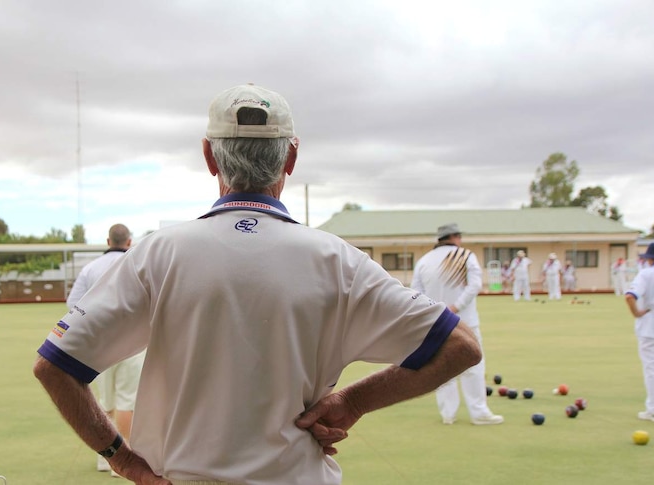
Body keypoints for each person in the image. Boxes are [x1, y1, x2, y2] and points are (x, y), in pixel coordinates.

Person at [33, 83, 482, 484]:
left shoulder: (159, 253)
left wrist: (123, 460)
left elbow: (55, 366)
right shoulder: (336, 260)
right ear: (291, 156)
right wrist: (353, 401)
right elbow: (460, 346)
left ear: (209, 156)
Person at [66, 223, 145, 476]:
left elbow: (73, 304)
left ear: (108, 241)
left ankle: (105, 458)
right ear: (129, 242)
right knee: (126, 402)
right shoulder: (139, 262)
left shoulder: (91, 268)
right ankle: (124, 458)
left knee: (105, 400)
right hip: (133, 343)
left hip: (99, 344)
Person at [411, 223, 504, 426]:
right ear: (454, 237)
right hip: (466, 321)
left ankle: (448, 414)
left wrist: (434, 311)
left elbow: (415, 292)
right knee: (474, 364)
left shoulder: (424, 261)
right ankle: (479, 412)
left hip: (436, 322)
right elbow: (475, 285)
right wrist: (456, 306)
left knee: (442, 366)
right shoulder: (466, 256)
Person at [624, 242, 654, 422]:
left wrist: (637, 313)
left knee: (652, 368)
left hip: (650, 328)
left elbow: (630, 296)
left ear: (650, 258)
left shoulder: (646, 274)